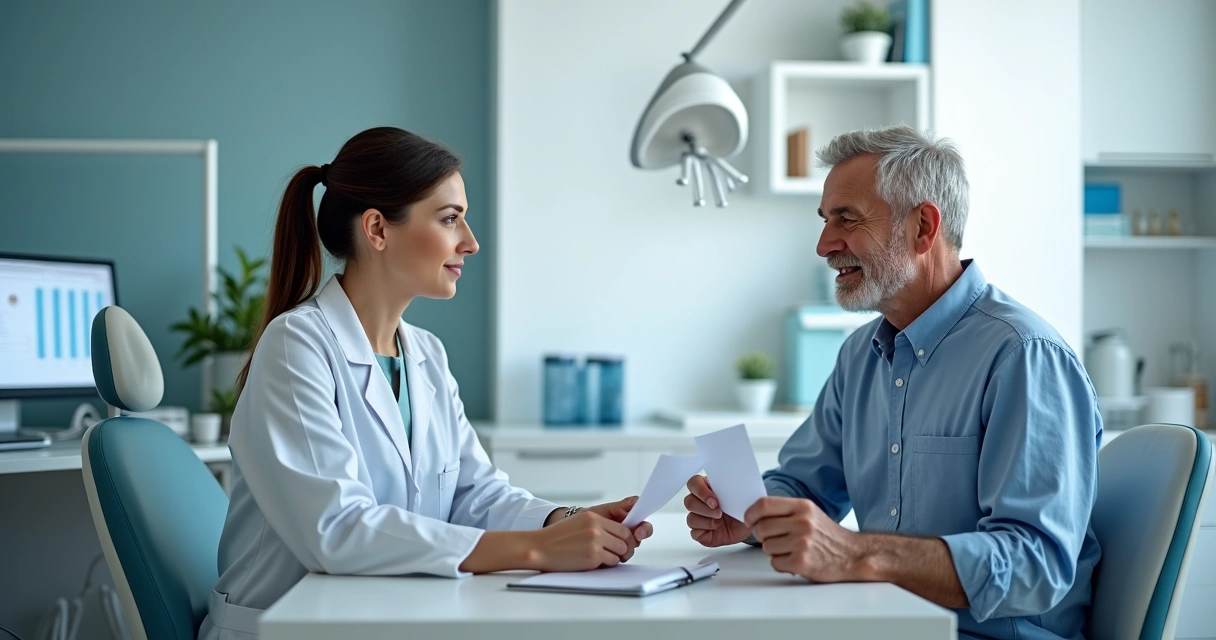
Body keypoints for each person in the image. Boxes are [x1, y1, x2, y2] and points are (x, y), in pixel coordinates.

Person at [200, 127, 652, 640]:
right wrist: (537, 550)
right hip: (287, 627)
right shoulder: (296, 345)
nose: (471, 242)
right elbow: (336, 530)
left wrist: (562, 520)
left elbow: (474, 495)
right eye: (449, 219)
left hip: (385, 615)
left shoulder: (426, 354)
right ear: (377, 229)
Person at [684, 125, 1102, 640]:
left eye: (847, 219)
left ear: (923, 227)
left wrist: (857, 552)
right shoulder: (860, 355)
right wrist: (749, 514)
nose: (823, 245)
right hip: (885, 622)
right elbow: (807, 486)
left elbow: (1034, 565)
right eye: (824, 220)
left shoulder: (1024, 357)